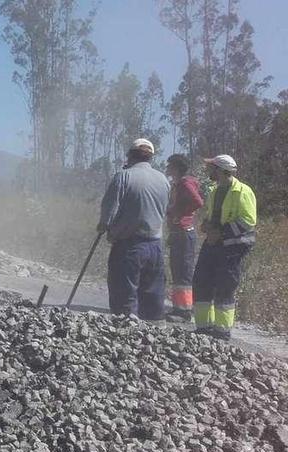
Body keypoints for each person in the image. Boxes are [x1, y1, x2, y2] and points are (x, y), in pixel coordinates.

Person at [97, 138, 171, 321]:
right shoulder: (163, 180)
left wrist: (104, 225)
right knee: (153, 297)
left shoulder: (124, 176)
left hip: (129, 246)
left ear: (130, 156)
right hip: (155, 246)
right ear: (150, 158)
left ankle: (125, 334)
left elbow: (110, 208)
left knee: (125, 298)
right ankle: (153, 336)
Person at [192, 154, 257, 340]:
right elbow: (214, 215)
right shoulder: (215, 190)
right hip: (214, 244)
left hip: (233, 247)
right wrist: (206, 224)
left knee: (224, 285)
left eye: (212, 168)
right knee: (202, 280)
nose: (209, 171)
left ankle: (222, 331)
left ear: (220, 170)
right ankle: (203, 328)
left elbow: (248, 221)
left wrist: (221, 232)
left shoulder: (243, 191)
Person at [164, 154, 205, 322]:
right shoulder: (177, 185)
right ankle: (178, 308)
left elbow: (198, 202)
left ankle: (185, 311)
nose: (167, 168)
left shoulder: (186, 183)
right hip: (177, 232)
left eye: (170, 166)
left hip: (184, 232)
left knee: (184, 272)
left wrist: (181, 213)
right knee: (177, 270)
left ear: (176, 167)